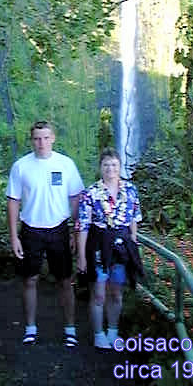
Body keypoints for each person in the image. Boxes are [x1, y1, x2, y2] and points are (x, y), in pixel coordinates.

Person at [6, 120, 84, 347]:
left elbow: (77, 199)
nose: (41, 143)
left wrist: (75, 233)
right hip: (31, 230)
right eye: (37, 139)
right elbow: (13, 202)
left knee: (65, 280)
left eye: (46, 138)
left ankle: (70, 329)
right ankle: (30, 328)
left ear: (53, 138)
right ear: (31, 140)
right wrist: (14, 237)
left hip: (59, 228)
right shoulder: (21, 166)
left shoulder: (66, 164)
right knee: (29, 279)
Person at [77, 148, 143, 350]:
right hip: (98, 245)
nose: (110, 169)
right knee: (98, 293)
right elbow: (82, 225)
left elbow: (134, 220)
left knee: (116, 292)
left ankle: (113, 332)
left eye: (114, 164)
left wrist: (133, 243)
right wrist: (81, 256)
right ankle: (98, 334)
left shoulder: (130, 190)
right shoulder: (90, 193)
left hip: (122, 247)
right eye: (106, 165)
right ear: (100, 168)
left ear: (120, 167)